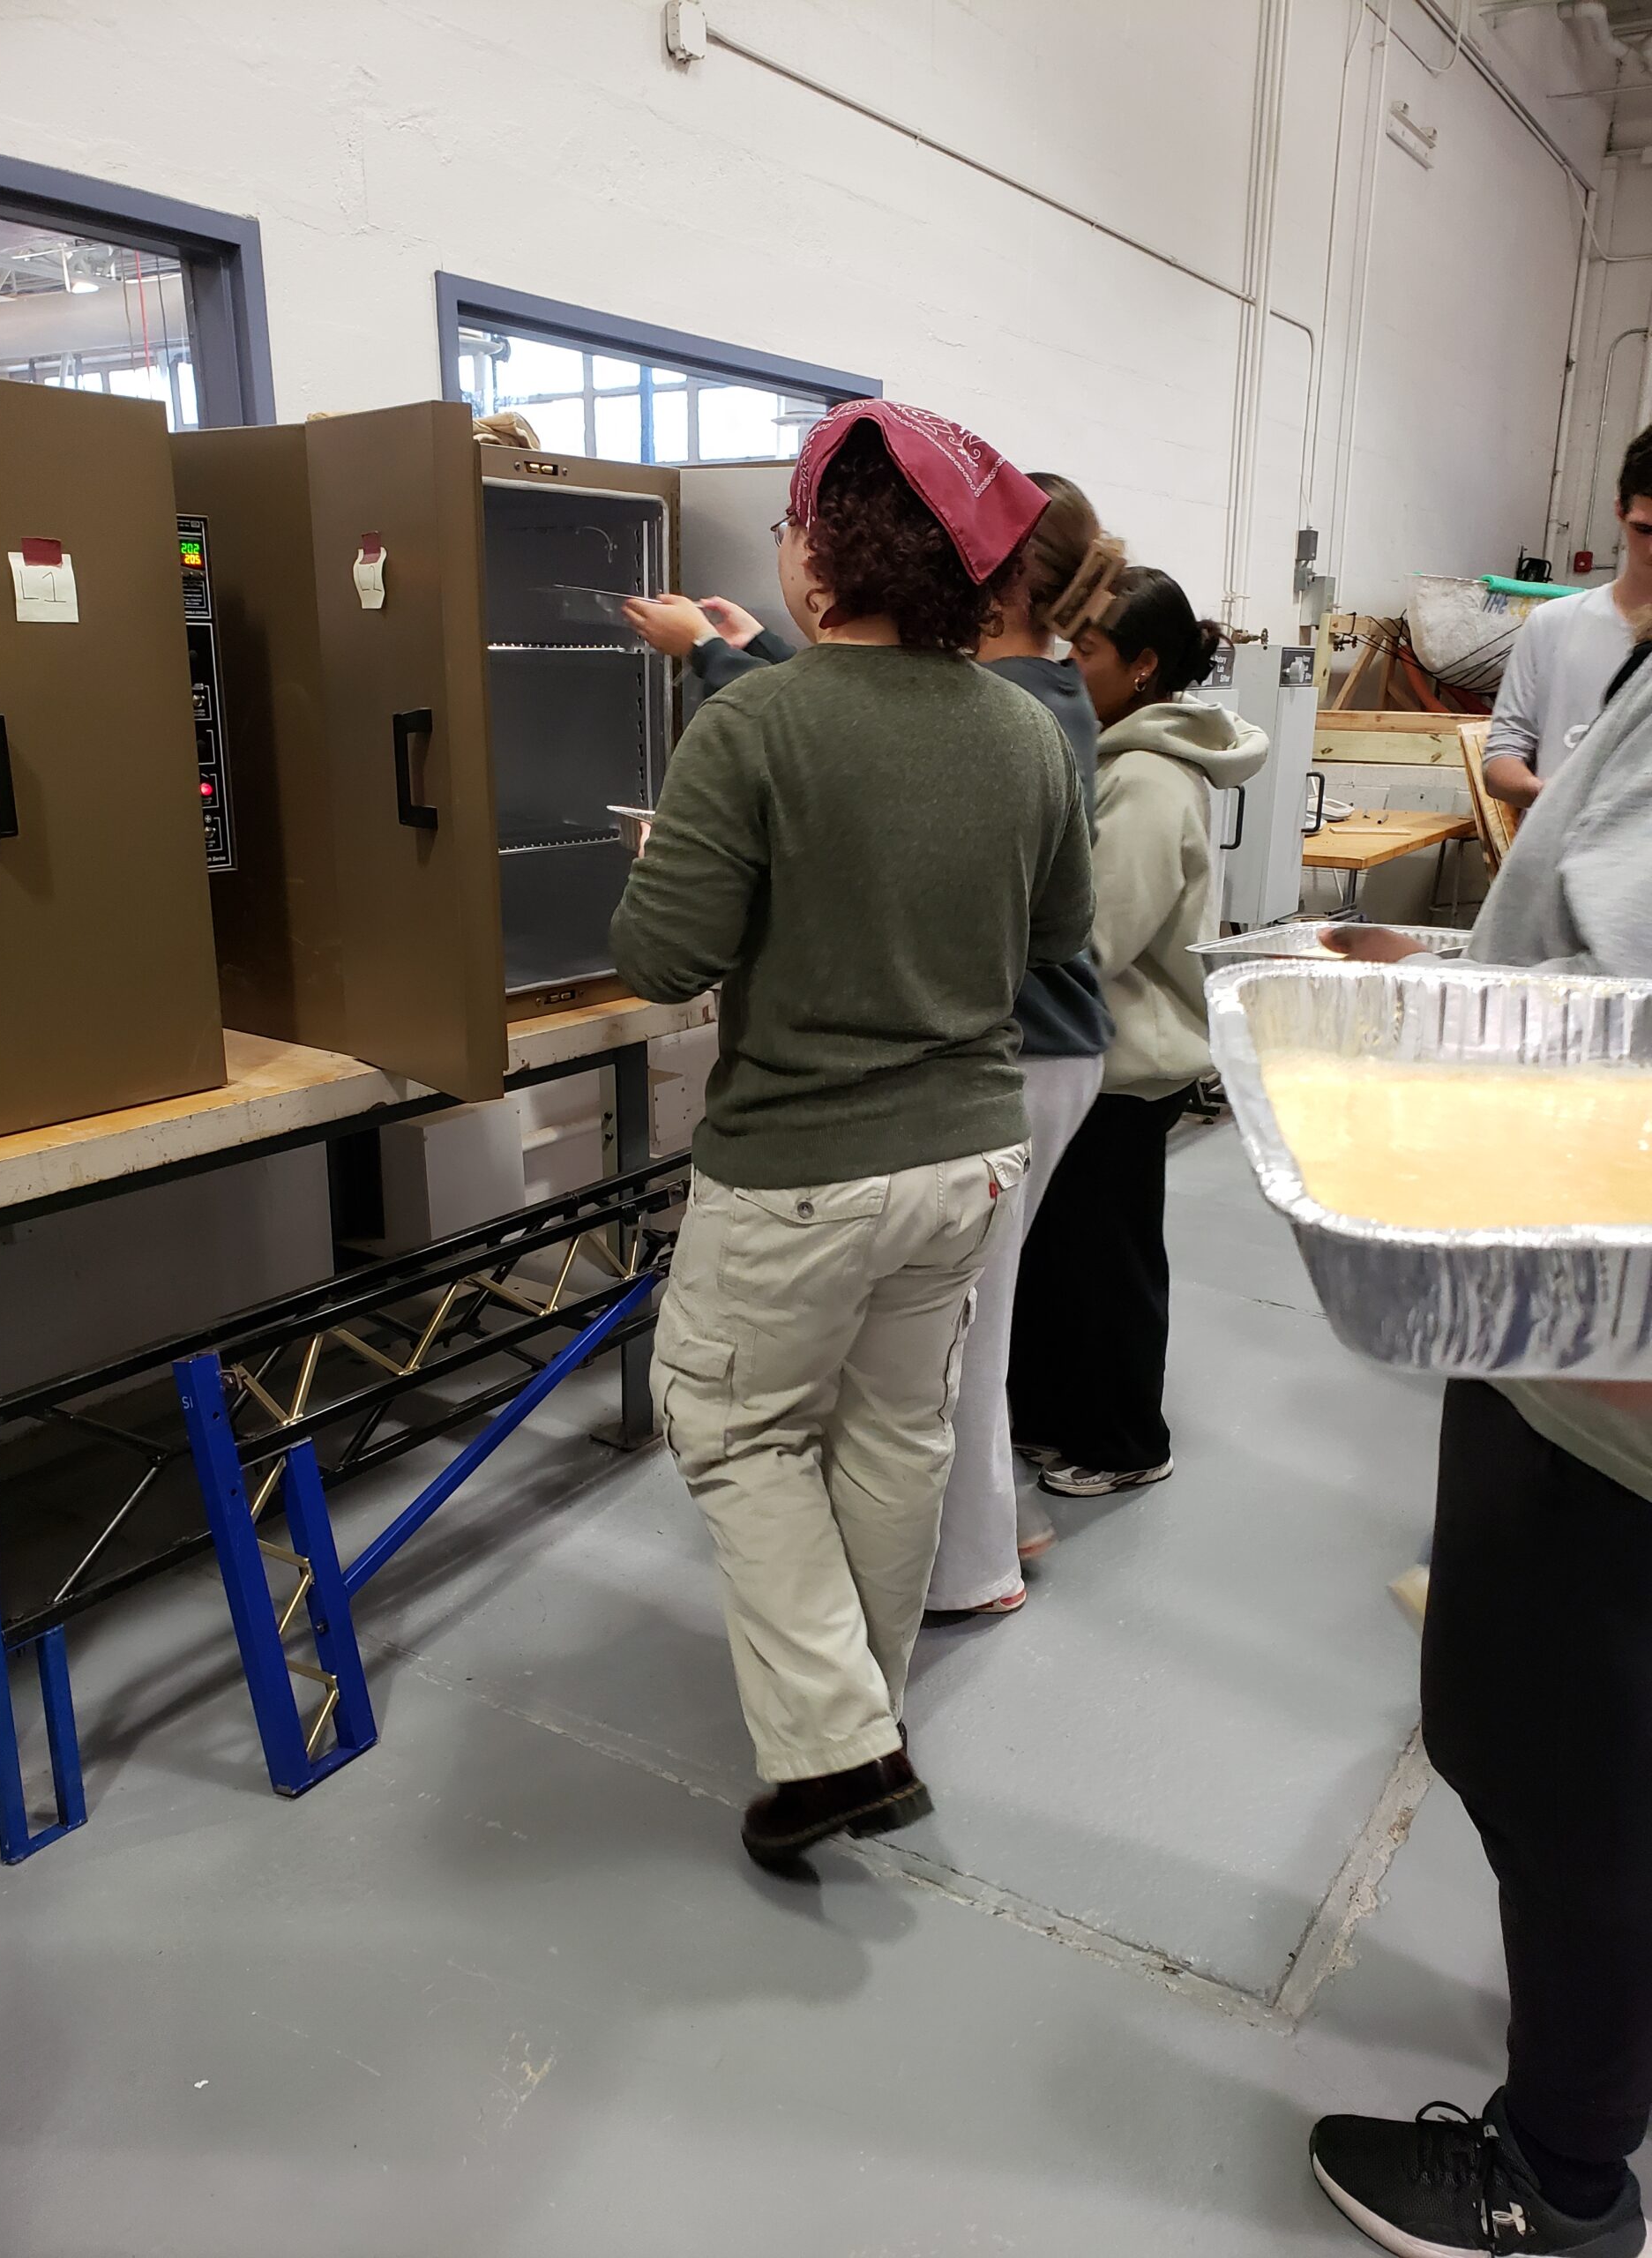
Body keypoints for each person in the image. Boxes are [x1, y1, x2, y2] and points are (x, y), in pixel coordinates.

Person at [608, 400, 1095, 1869]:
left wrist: (680, 863)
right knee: (896, 1431)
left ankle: (835, 1741)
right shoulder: (1026, 731)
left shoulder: (755, 722)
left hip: (800, 1168)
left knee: (730, 1423)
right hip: (967, 1158)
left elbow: (664, 960)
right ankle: (862, 1726)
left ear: (822, 553)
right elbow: (1056, 935)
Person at [1310, 653, 1652, 2256]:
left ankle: (1563, 2177)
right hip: (1575, 1340)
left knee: (1559, 1772)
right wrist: (1464, 974)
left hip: (1604, 1382)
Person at [1007, 566, 1267, 1501]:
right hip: (1090, 1051)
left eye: (1085, 648)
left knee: (1106, 1263)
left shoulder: (1149, 778)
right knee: (1058, 1254)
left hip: (1123, 1062)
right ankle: (1052, 1417)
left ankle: (1125, 1441)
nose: (1065, 662)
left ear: (1145, 665)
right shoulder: (1113, 757)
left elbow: (1099, 935)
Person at [1481, 423, 1652, 811]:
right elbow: (1502, 756)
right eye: (1644, 529)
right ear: (1619, 510)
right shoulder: (1553, 623)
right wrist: (1545, 795)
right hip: (1561, 842)